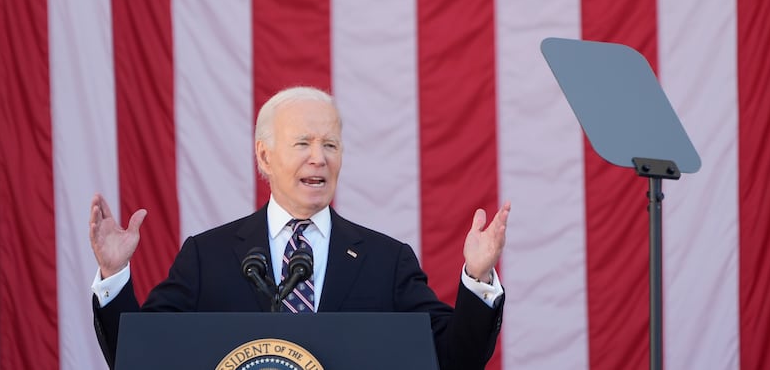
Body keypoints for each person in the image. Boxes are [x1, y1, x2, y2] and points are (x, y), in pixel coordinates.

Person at [90, 86, 511, 369]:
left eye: (330, 145)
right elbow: (142, 356)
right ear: (266, 156)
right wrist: (113, 276)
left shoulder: (386, 260)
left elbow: (453, 358)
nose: (319, 158)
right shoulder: (208, 256)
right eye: (303, 143)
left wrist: (476, 278)